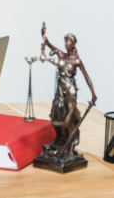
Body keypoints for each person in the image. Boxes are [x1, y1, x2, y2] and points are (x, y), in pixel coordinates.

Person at [41, 22, 97, 157]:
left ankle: (67, 146)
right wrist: (43, 35)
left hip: (70, 91)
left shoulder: (77, 60)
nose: (65, 44)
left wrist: (93, 94)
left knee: (67, 119)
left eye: (68, 41)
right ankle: (59, 141)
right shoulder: (61, 55)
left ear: (73, 43)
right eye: (65, 41)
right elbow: (48, 44)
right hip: (59, 91)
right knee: (55, 117)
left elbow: (86, 77)